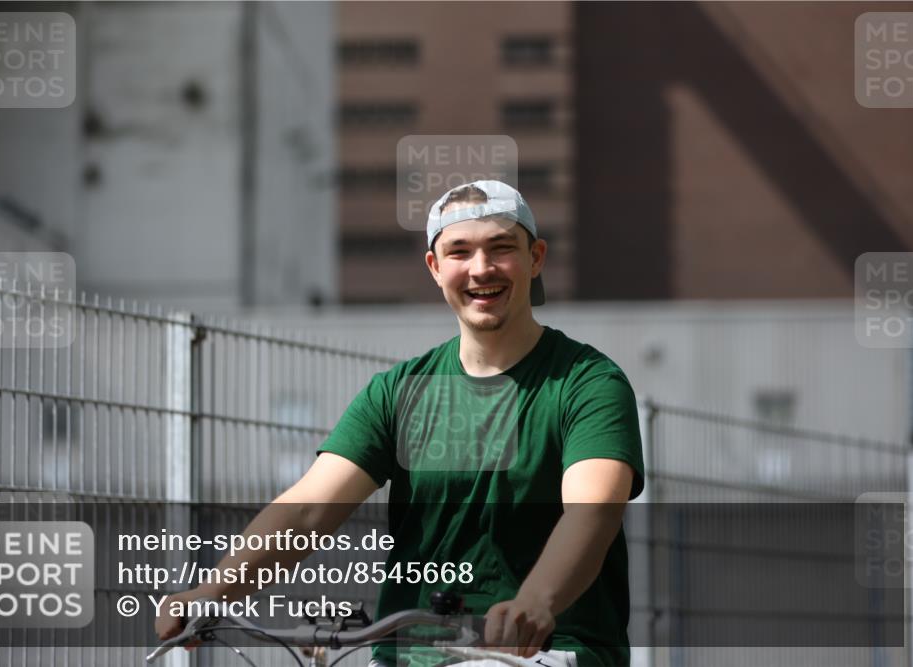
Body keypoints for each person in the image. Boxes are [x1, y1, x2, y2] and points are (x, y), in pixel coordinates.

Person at [156, 180, 644, 667]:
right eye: (459, 252)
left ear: (535, 258)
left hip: (549, 653)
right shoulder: (397, 393)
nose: (481, 269)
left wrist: (536, 601)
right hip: (409, 655)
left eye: (501, 249)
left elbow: (592, 511)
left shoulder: (588, 384)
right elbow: (306, 512)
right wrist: (210, 593)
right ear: (434, 267)